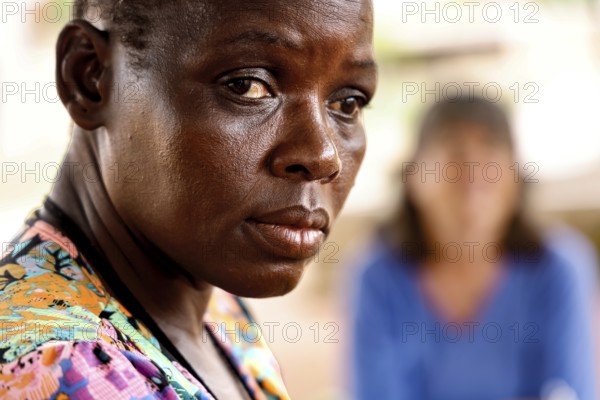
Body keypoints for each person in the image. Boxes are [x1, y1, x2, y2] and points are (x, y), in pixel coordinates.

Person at [0, 1, 378, 399]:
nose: (322, 156)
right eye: (247, 85)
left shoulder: (210, 302)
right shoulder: (55, 364)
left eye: (347, 102)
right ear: (89, 77)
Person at [351, 97, 597, 400]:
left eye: (490, 151)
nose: (472, 172)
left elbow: (571, 389)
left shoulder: (558, 267)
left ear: (517, 178)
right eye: (453, 151)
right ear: (414, 176)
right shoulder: (377, 276)